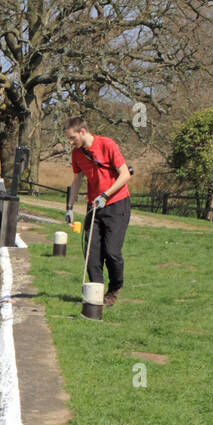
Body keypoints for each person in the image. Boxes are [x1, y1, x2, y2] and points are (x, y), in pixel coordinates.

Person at [65, 116, 131, 307]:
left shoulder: (107, 144)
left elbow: (125, 175)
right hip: (94, 206)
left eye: (72, 138)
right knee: (91, 252)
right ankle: (96, 293)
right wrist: (69, 207)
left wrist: (106, 195)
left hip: (117, 203)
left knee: (111, 251)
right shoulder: (77, 154)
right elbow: (77, 180)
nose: (70, 142)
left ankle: (115, 289)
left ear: (83, 132)